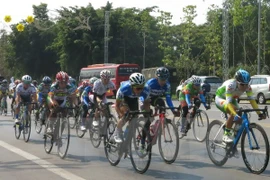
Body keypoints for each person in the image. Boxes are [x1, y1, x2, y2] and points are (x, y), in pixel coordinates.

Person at [215, 69, 266, 143]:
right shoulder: (231, 85)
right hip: (220, 98)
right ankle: (226, 134)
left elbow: (252, 101)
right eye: (242, 84)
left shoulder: (248, 87)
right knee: (234, 111)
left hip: (231, 99)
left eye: (246, 84)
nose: (244, 87)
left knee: (240, 115)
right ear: (236, 81)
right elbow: (228, 103)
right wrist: (234, 113)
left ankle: (233, 138)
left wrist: (259, 113)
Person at [113, 73, 150, 143]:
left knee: (134, 118)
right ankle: (116, 134)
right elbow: (117, 105)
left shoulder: (146, 89)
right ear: (132, 86)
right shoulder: (124, 89)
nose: (140, 90)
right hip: (124, 99)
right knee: (126, 115)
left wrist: (147, 112)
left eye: (142, 87)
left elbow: (146, 103)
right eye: (138, 88)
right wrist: (121, 114)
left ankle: (126, 137)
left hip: (134, 100)